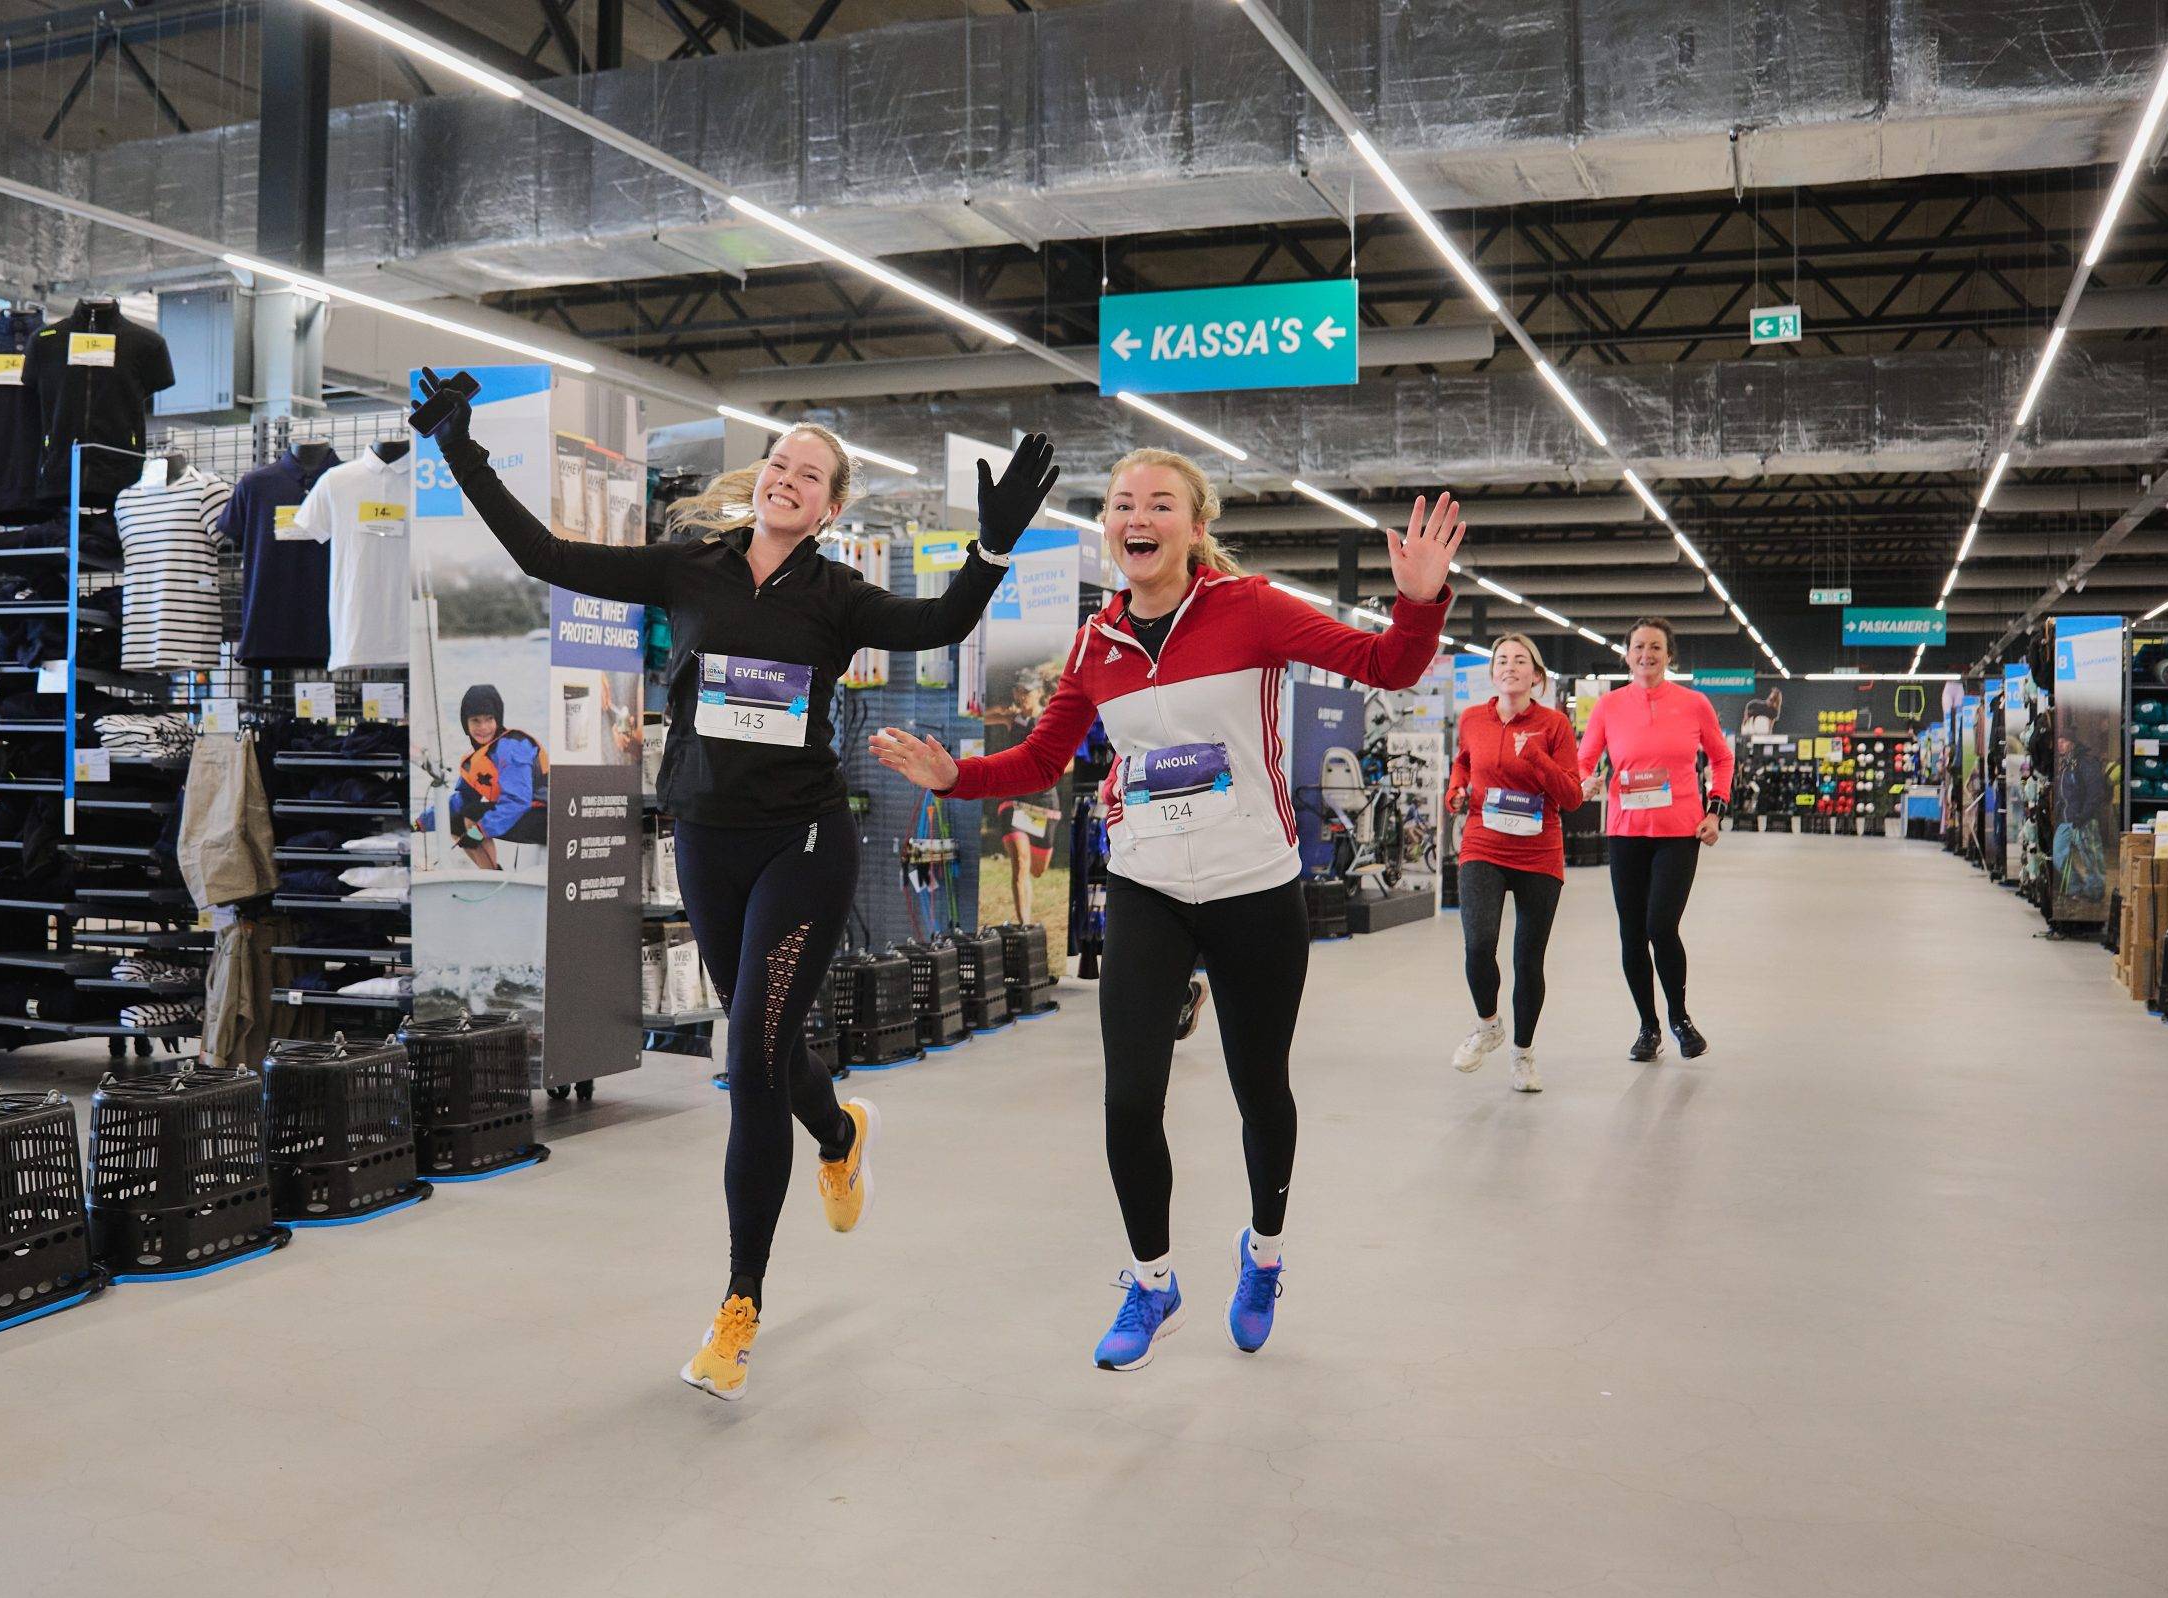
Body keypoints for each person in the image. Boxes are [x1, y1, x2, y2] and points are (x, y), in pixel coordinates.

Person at [413, 368, 1058, 1401]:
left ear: (831, 507)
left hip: (802, 846)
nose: (788, 481)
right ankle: (839, 1133)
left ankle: (739, 1305)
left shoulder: (839, 596)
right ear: (759, 482)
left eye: (811, 475)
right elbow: (542, 555)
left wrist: (989, 550)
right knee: (768, 1046)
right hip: (707, 842)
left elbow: (939, 625)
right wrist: (460, 447)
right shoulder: (689, 571)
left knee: (747, 1062)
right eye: (780, 466)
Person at [873, 451, 1459, 1371]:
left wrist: (1420, 601)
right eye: (1119, 505)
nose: (1134, 517)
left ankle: (1263, 1252)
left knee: (1259, 1088)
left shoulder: (1251, 608)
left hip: (1255, 887)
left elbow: (1387, 665)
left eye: (1158, 504)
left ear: (1194, 525)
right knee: (1129, 1094)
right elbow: (1038, 759)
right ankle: (1153, 1282)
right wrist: (957, 777)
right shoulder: (1093, 645)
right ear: (1108, 527)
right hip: (1147, 885)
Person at [1577, 616, 1733, 1062]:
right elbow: (1584, 758)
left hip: (1679, 833)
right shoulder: (1609, 707)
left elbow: (1721, 759)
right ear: (1627, 655)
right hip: (1626, 833)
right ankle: (1647, 1026)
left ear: (1669, 655)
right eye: (1639, 647)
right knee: (1631, 933)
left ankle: (1680, 1018)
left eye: (1656, 648)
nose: (1646, 655)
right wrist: (1585, 780)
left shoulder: (1694, 703)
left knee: (1661, 926)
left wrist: (1715, 811)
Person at [1443, 634, 1584, 1091]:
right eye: (1502, 660)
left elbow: (1572, 796)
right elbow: (1463, 764)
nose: (1510, 667)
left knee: (1528, 958)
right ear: (1493, 673)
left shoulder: (1555, 725)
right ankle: (1488, 1025)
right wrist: (1455, 790)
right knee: (1479, 944)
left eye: (1520, 661)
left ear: (1536, 676)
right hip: (1483, 842)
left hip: (1539, 850)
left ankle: (1522, 1053)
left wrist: (1537, 756)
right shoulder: (1471, 719)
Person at [420, 683, 545, 871]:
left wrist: (480, 831)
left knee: (473, 814)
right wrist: (420, 822)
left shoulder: (512, 748)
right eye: (475, 721)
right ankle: (490, 875)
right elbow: (460, 802)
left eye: (489, 719)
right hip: (523, 817)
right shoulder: (476, 759)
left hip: (546, 819)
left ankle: (492, 879)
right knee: (453, 822)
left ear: (498, 719)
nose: (483, 727)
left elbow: (518, 801)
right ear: (465, 724)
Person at [994, 668, 1059, 925]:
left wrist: (1046, 771)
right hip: (1014, 800)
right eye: (1018, 691)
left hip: (1043, 802)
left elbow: (1070, 761)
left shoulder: (1050, 720)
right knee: (1020, 863)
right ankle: (1024, 927)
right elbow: (983, 715)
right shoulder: (1012, 720)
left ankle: (1026, 922)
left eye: (1027, 692)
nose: (1022, 697)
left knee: (1037, 870)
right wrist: (1002, 711)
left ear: (1039, 693)